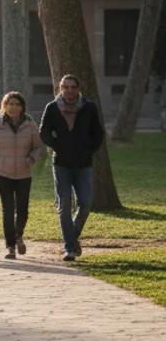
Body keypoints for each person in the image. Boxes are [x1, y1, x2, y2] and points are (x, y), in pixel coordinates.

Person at [40, 74, 105, 261]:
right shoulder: (52, 108)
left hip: (84, 164)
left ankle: (72, 236)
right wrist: (57, 145)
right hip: (61, 164)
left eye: (72, 87)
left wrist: (89, 150)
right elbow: (43, 131)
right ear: (60, 89)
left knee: (85, 204)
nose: (69, 91)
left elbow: (98, 133)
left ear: (78, 88)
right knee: (65, 206)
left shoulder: (89, 107)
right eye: (65, 87)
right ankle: (69, 248)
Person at [0, 91, 44, 259]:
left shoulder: (30, 124)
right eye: (10, 104)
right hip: (2, 173)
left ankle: (18, 235)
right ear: (4, 106)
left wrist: (32, 158)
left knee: (23, 209)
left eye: (17, 104)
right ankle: (10, 246)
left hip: (24, 173)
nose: (14, 107)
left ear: (22, 107)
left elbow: (38, 146)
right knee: (8, 209)